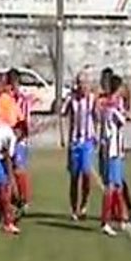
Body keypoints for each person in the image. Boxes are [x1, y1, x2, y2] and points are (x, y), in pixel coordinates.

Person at [97, 67, 131, 221]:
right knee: (109, 179)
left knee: (117, 181)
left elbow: (127, 116)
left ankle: (125, 209)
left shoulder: (114, 102)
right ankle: (113, 212)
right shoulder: (104, 101)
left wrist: (130, 102)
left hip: (115, 146)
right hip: (106, 144)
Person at [59, 71, 97, 220]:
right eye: (81, 83)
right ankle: (74, 208)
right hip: (74, 142)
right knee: (74, 177)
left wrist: (98, 135)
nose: (84, 87)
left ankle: (84, 205)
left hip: (87, 141)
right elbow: (62, 115)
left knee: (87, 174)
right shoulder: (71, 99)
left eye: (86, 84)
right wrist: (63, 137)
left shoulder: (92, 100)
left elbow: (96, 116)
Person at [7, 68, 33, 215]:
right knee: (7, 171)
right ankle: (12, 199)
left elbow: (25, 121)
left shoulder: (23, 100)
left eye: (13, 83)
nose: (11, 87)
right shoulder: (5, 99)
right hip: (6, 139)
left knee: (18, 169)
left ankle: (24, 200)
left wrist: (20, 136)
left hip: (19, 140)